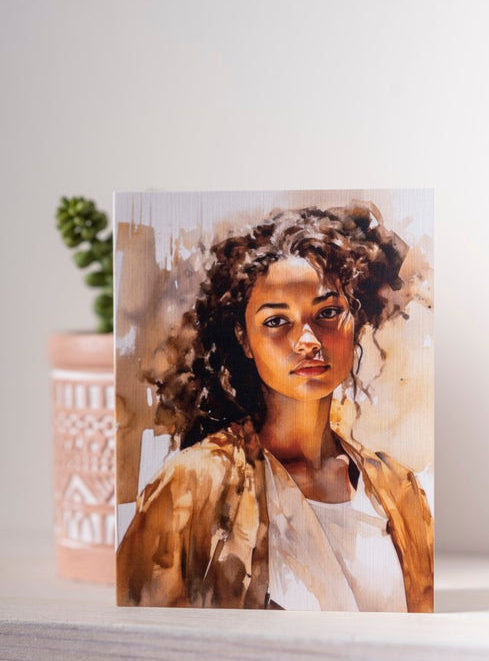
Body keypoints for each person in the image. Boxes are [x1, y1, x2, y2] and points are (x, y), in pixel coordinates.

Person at [116, 204, 433, 611]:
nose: (308, 341)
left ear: (355, 320)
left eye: (328, 313)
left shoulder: (398, 491)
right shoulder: (192, 484)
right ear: (244, 338)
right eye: (276, 321)